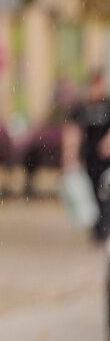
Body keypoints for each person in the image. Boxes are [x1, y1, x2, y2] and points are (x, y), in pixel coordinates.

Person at [63, 71, 110, 241]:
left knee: (106, 191)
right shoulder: (82, 107)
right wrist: (70, 154)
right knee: (92, 191)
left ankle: (105, 226)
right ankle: (98, 227)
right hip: (90, 158)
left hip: (107, 160)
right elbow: (73, 131)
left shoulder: (107, 105)